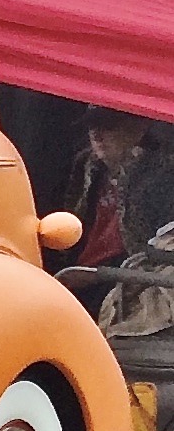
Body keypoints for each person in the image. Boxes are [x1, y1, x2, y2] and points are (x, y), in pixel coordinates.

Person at [59, 107, 172, 315]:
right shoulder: (85, 168)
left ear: (139, 127)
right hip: (75, 272)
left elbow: (151, 252)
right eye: (91, 126)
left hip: (122, 280)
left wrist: (97, 275)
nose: (96, 134)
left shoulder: (159, 175)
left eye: (108, 126)